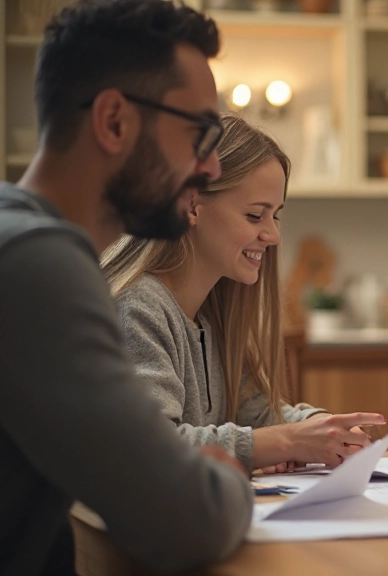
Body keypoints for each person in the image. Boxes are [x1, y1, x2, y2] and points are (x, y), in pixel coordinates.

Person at [0, 1, 253, 574]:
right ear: (114, 121)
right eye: (201, 134)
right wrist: (223, 476)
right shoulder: (36, 264)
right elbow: (189, 519)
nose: (211, 167)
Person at [103, 115, 386, 473]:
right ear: (191, 205)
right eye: (255, 215)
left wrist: (327, 426)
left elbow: (259, 415)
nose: (273, 235)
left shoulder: (211, 317)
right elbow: (151, 445)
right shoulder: (136, 307)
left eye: (275, 216)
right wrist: (289, 441)